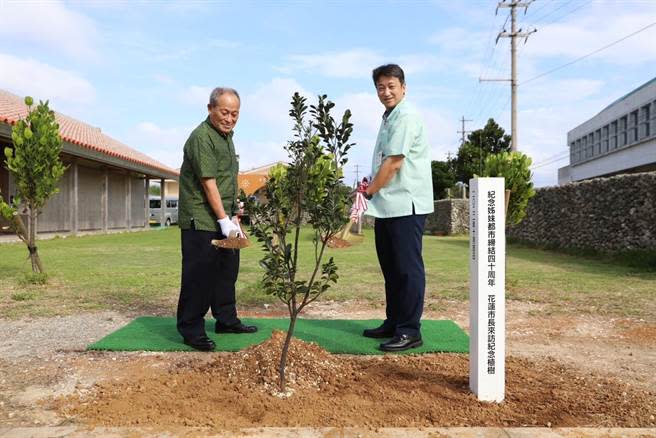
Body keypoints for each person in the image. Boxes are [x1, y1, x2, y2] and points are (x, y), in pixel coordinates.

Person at [176, 87, 257, 351]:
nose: (230, 118)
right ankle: (191, 329)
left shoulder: (226, 137)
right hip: (201, 219)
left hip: (224, 216)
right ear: (210, 108)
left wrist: (234, 215)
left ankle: (226, 320)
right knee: (199, 275)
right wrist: (223, 220)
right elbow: (208, 182)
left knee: (226, 271)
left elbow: (227, 180)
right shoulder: (202, 138)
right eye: (225, 112)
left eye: (235, 114)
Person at [361, 64, 434, 352]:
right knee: (391, 267)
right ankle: (394, 321)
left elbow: (393, 163)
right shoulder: (389, 116)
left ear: (404, 87)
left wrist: (368, 191)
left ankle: (409, 329)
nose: (386, 91)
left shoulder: (406, 115)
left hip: (407, 204)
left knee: (407, 269)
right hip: (388, 205)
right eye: (381, 87)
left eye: (392, 85)